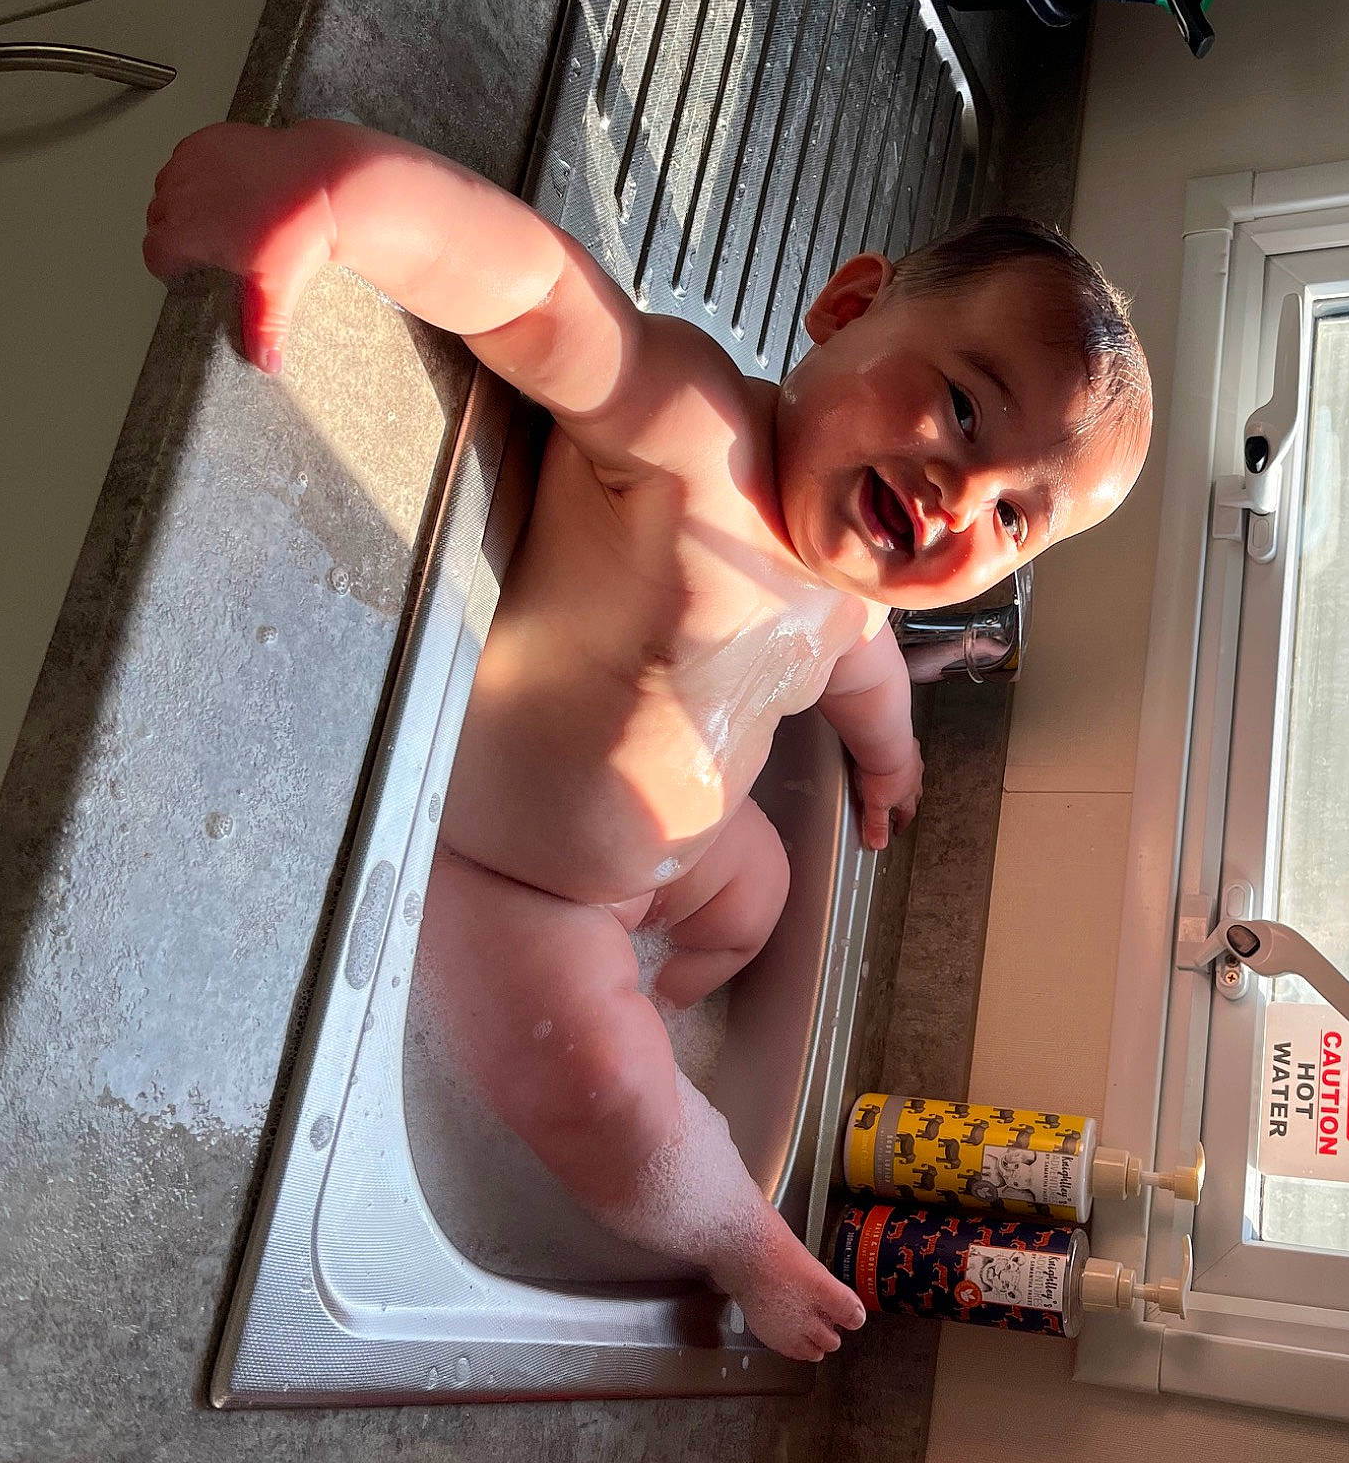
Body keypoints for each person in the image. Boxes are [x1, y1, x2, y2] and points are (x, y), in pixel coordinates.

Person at [144, 119, 1151, 1360]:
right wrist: (337, 199)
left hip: (657, 865)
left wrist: (889, 760)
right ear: (846, 308)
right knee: (601, 1082)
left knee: (766, 886)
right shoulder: (690, 431)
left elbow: (866, 679)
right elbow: (532, 288)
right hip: (514, 881)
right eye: (959, 407)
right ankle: (724, 1222)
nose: (957, 497)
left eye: (1010, 518)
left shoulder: (853, 598)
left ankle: (653, 996)